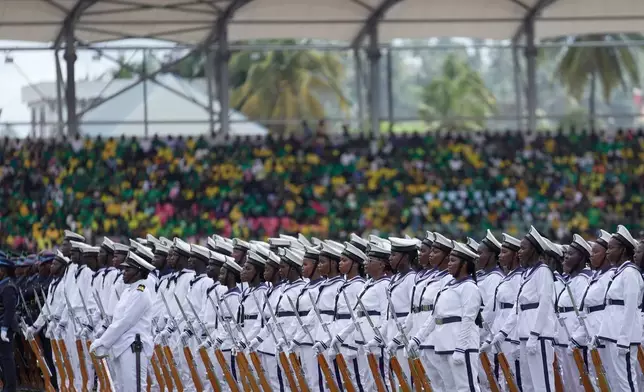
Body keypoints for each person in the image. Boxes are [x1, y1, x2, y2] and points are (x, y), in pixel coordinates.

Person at [489, 226, 556, 392]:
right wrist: (502, 333)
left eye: (523, 248)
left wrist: (535, 334)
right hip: (524, 335)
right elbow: (517, 309)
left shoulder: (543, 271)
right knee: (528, 385)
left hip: (538, 336)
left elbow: (544, 305)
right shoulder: (527, 274)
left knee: (542, 384)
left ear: (533, 250)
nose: (519, 252)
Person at [410, 241, 483, 392]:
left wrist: (461, 349)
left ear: (464, 264)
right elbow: (435, 316)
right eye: (449, 260)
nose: (449, 264)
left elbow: (468, 320)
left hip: (460, 346)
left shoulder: (469, 287)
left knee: (466, 388)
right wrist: (418, 338)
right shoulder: (448, 285)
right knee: (450, 388)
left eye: (453, 261)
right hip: (443, 344)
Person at [90, 251, 156, 392]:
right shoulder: (128, 291)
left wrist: (102, 342)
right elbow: (116, 320)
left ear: (138, 272)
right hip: (121, 347)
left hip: (134, 348)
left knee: (134, 389)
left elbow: (125, 322)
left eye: (128, 269)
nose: (123, 272)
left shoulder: (141, 292)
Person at [596, 225, 643, 391]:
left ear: (623, 250)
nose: (607, 252)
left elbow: (630, 308)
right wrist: (603, 333)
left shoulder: (630, 273)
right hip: (611, 334)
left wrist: (624, 339)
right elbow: (610, 308)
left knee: (626, 382)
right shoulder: (619, 273)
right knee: (614, 382)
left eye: (611, 248)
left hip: (622, 337)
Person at [569, 230, 613, 386]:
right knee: (597, 379)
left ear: (607, 254)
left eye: (596, 252)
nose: (591, 255)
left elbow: (608, 309)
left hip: (603, 334)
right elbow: (585, 310)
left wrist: (599, 333)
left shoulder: (612, 276)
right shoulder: (596, 276)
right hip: (591, 333)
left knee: (610, 379)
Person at [481, 233, 523, 390]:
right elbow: (497, 312)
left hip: (513, 337)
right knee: (504, 378)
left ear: (515, 255)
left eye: (505, 252)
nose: (501, 255)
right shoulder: (508, 277)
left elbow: (518, 310)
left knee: (516, 380)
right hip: (501, 335)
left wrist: (517, 339)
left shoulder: (519, 277)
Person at [554, 234, 592, 392]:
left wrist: (576, 337)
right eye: (566, 254)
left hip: (574, 338)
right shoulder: (572, 279)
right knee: (569, 383)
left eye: (570, 254)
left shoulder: (583, 279)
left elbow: (582, 312)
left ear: (582, 257)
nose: (566, 258)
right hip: (564, 336)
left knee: (580, 383)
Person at [0, 252, 18, 392]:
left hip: (6, 328)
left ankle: (10, 388)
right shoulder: (3, 284)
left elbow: (9, 310)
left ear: (3, 270)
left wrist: (4, 328)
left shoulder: (8, 286)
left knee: (7, 359)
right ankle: (6, 385)